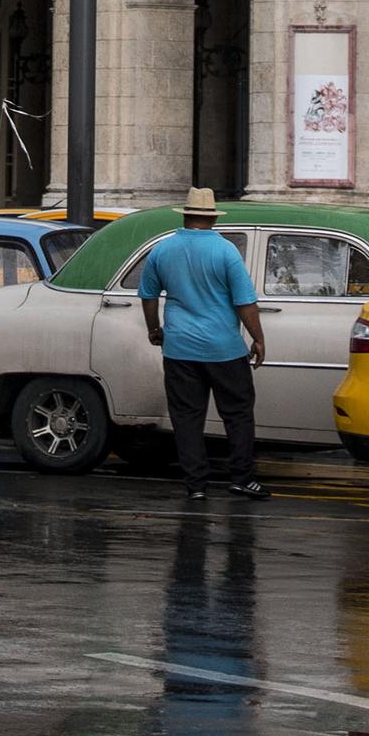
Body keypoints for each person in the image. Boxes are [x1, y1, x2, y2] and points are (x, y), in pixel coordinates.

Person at [138, 186, 266, 502]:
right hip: (225, 349)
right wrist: (258, 338)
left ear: (186, 215)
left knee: (187, 417)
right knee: (237, 414)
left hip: (179, 348)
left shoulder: (162, 250)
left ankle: (196, 484)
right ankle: (242, 478)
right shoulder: (225, 252)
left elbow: (148, 296)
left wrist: (155, 329)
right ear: (211, 218)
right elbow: (245, 302)